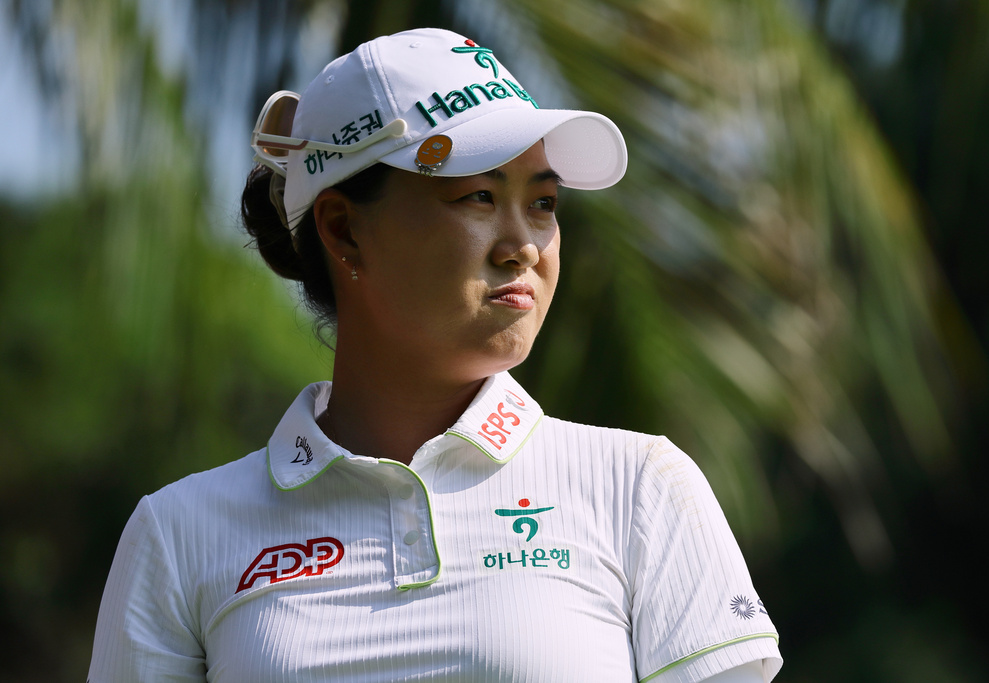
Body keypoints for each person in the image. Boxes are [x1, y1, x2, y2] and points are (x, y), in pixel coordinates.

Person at [88, 28, 782, 682]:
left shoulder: (639, 488)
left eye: (543, 204)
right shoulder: (179, 534)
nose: (523, 245)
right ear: (343, 229)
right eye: (478, 195)